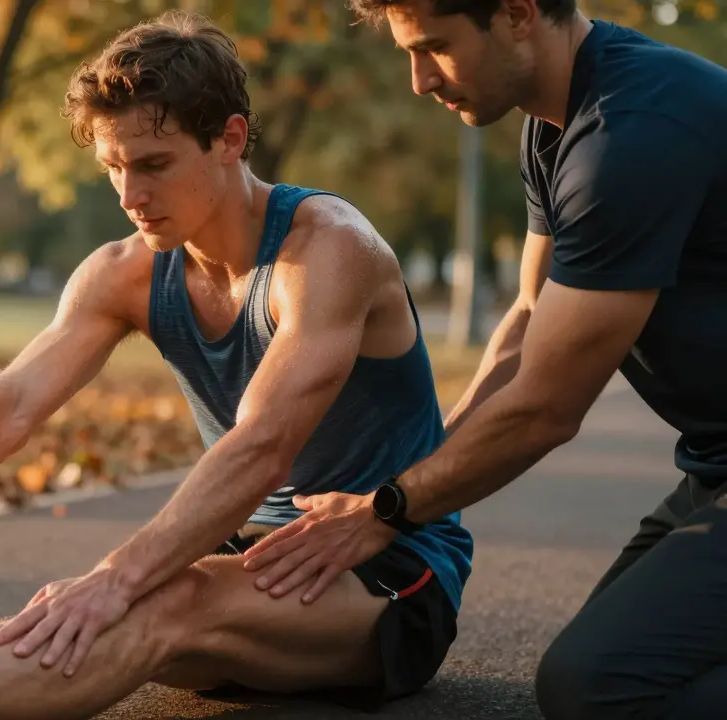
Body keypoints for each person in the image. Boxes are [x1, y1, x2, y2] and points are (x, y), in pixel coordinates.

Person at [0, 11, 474, 720]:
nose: (131, 194)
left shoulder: (327, 249)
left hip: (390, 571)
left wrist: (115, 575)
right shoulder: (127, 272)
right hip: (249, 557)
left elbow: (262, 443)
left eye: (154, 163)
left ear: (231, 138)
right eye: (113, 167)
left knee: (150, 599)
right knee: (54, 617)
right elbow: (12, 400)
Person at [238, 1, 727, 718]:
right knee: (605, 668)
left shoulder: (632, 131)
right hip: (713, 466)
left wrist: (386, 512)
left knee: (600, 688)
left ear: (519, 14)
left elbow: (545, 409)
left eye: (435, 47)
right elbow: (529, 322)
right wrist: (411, 485)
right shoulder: (555, 128)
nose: (418, 80)